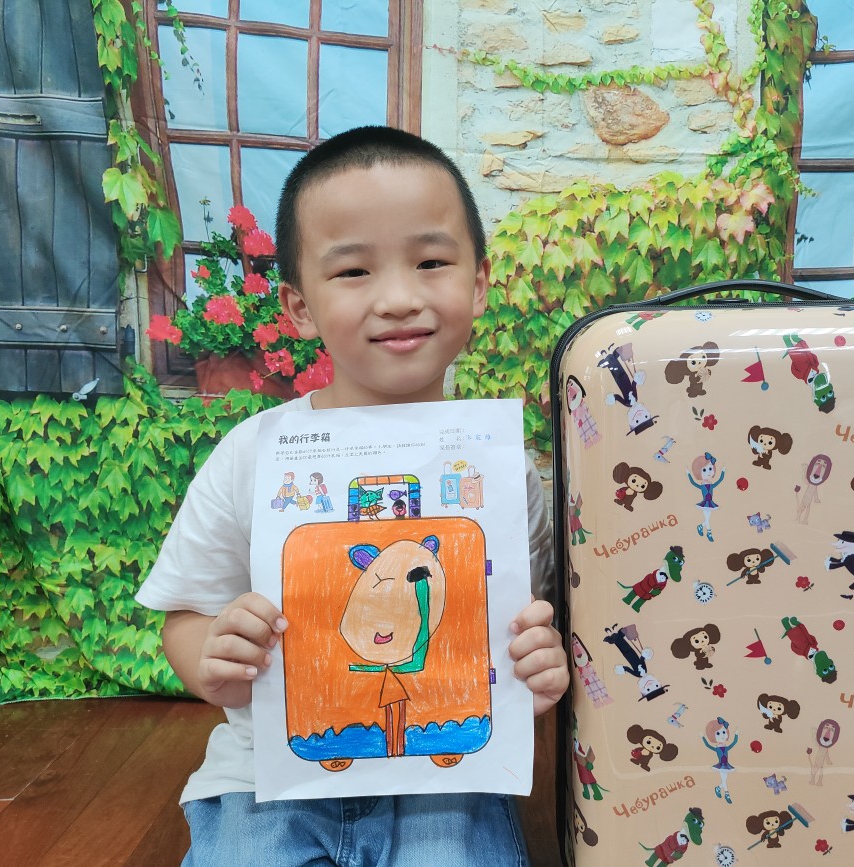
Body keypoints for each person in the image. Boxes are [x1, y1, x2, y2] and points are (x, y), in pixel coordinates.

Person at [136, 125, 569, 866]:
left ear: (479, 282)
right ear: (299, 307)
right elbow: (185, 612)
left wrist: (536, 659)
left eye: (431, 262)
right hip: (266, 779)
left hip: (447, 777)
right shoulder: (253, 454)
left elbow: (527, 621)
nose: (398, 298)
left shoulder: (502, 470)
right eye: (353, 271)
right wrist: (213, 653)